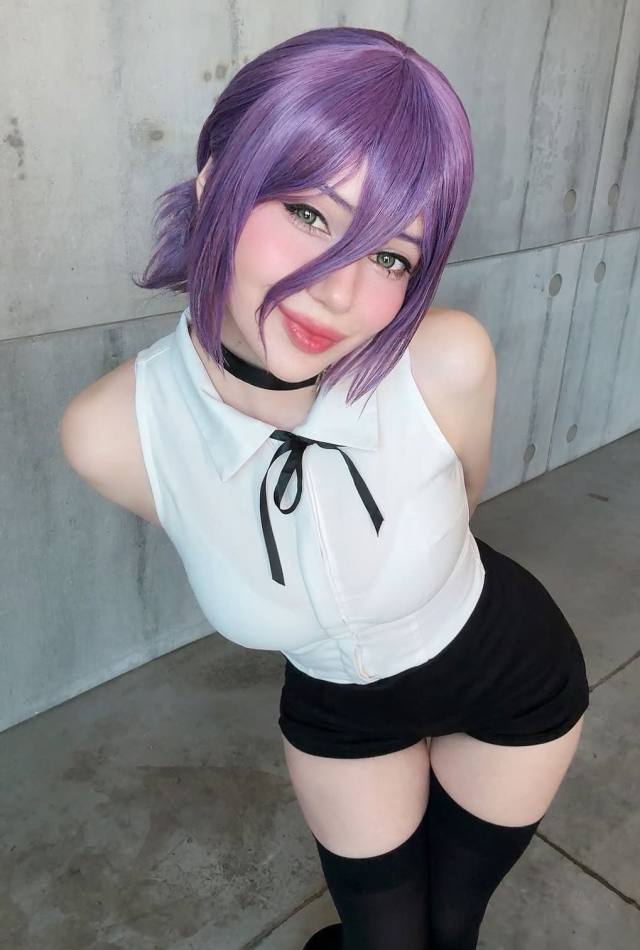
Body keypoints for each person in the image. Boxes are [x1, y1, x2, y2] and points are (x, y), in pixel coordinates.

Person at [65, 25, 590, 950]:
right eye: (310, 213)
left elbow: (462, 506)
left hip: (511, 678)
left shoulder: (446, 361)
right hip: (341, 715)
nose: (339, 294)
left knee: (451, 931)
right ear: (215, 181)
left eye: (391, 257)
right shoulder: (112, 435)